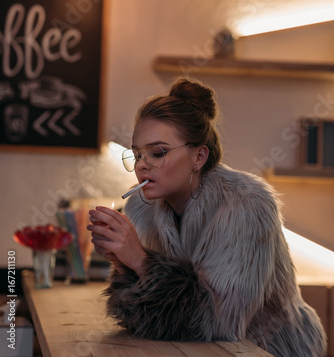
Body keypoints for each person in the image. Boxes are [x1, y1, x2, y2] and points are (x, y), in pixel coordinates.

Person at [87, 78, 327, 357]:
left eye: (158, 152)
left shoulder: (246, 205)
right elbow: (129, 313)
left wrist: (141, 260)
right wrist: (124, 263)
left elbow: (218, 324)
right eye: (137, 154)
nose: (141, 165)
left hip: (269, 348)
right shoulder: (141, 206)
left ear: (199, 156)